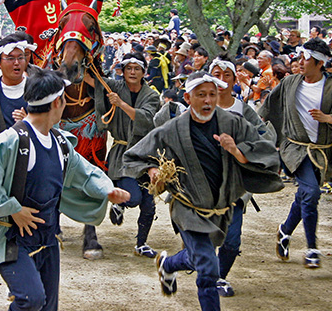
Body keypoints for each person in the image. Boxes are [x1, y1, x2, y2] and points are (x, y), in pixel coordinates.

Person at [0, 68, 130, 311]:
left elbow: (84, 171)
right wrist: (12, 209)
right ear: (58, 102)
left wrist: (106, 189)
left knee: (48, 307)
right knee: (31, 300)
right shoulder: (11, 140)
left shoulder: (60, 141)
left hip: (48, 238)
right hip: (13, 239)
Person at [123, 70, 282, 311]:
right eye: (201, 95)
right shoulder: (171, 129)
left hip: (222, 206)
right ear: (187, 97)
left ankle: (169, 264)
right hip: (189, 207)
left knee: (201, 256)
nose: (208, 101)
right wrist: (153, 170)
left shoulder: (234, 123)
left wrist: (237, 151)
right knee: (208, 267)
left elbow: (267, 150)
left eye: (212, 94)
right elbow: (134, 155)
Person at [259, 37, 332, 268]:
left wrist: (328, 118)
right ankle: (311, 248)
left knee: (305, 196)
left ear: (320, 63)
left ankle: (285, 230)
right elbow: (267, 107)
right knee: (311, 193)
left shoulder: (330, 87)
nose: (300, 62)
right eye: (299, 57)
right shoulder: (290, 83)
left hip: (324, 152)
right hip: (295, 147)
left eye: (305, 59)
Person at [209, 57, 274, 297]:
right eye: (217, 74)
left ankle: (219, 277)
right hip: (204, 182)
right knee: (203, 236)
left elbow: (264, 140)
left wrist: (240, 150)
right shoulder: (198, 106)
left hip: (235, 184)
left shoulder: (245, 111)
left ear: (235, 80)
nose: (222, 80)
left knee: (232, 239)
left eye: (227, 75)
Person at [88, 52, 160, 257]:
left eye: (137, 69)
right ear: (123, 71)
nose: (133, 72)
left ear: (143, 72)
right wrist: (86, 59)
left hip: (146, 153)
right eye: (129, 68)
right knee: (134, 197)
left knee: (149, 203)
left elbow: (146, 119)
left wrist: (121, 104)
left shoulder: (152, 96)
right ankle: (119, 203)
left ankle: (141, 244)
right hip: (123, 153)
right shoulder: (115, 86)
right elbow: (93, 79)